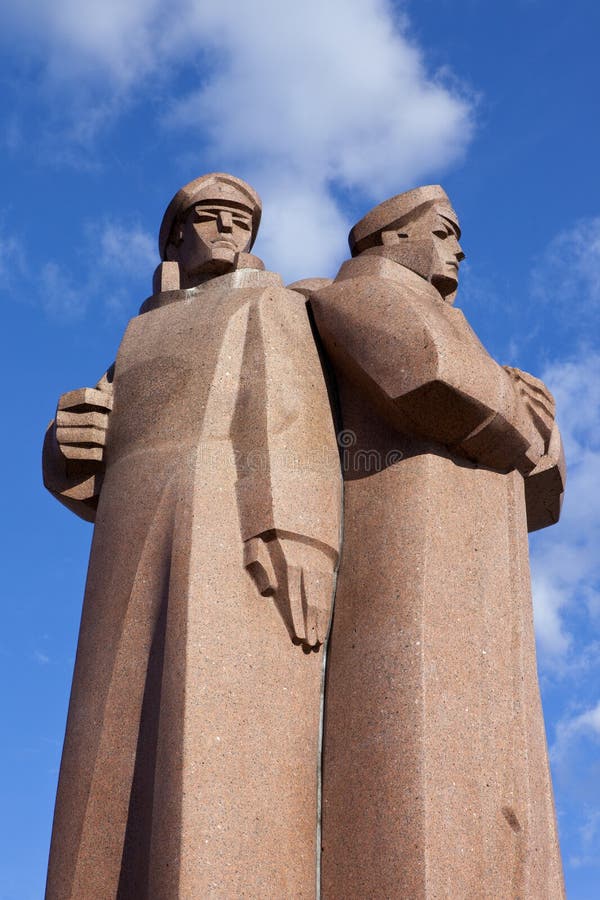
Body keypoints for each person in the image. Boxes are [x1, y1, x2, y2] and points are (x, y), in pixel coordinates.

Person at [43, 173, 341, 898]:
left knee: (213, 722)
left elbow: (289, 414)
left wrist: (295, 529)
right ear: (175, 235)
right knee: (110, 740)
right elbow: (98, 438)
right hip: (128, 530)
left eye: (242, 220)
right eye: (210, 216)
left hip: (223, 517)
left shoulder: (269, 305)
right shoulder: (140, 330)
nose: (229, 229)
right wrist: (65, 451)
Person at [310, 185, 566, 898]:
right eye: (446, 232)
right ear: (391, 238)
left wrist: (539, 425)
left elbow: (541, 495)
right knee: (419, 747)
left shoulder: (459, 326)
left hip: (485, 557)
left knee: (498, 773)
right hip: (406, 537)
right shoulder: (360, 297)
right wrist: (519, 408)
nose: (460, 251)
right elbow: (427, 377)